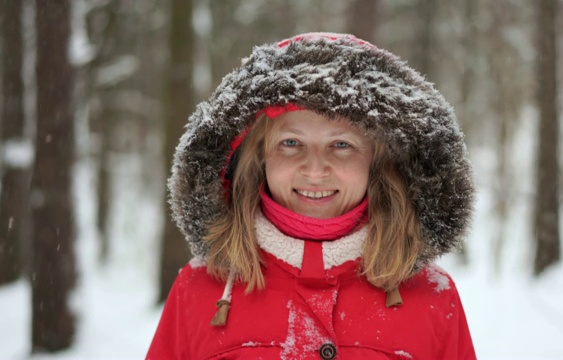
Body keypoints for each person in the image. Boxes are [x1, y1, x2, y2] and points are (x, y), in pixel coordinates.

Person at [147, 32, 476, 360]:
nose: (315, 170)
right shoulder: (199, 289)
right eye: (291, 143)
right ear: (259, 157)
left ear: (378, 161)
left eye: (341, 145)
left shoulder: (433, 296)